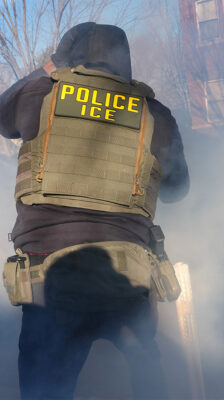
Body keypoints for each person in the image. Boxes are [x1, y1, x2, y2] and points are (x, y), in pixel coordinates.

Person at [0, 22, 189, 399]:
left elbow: (2, 116)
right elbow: (177, 189)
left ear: (65, 58)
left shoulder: (39, 95)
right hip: (127, 280)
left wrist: (48, 67)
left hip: (48, 281)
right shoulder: (154, 113)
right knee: (147, 381)